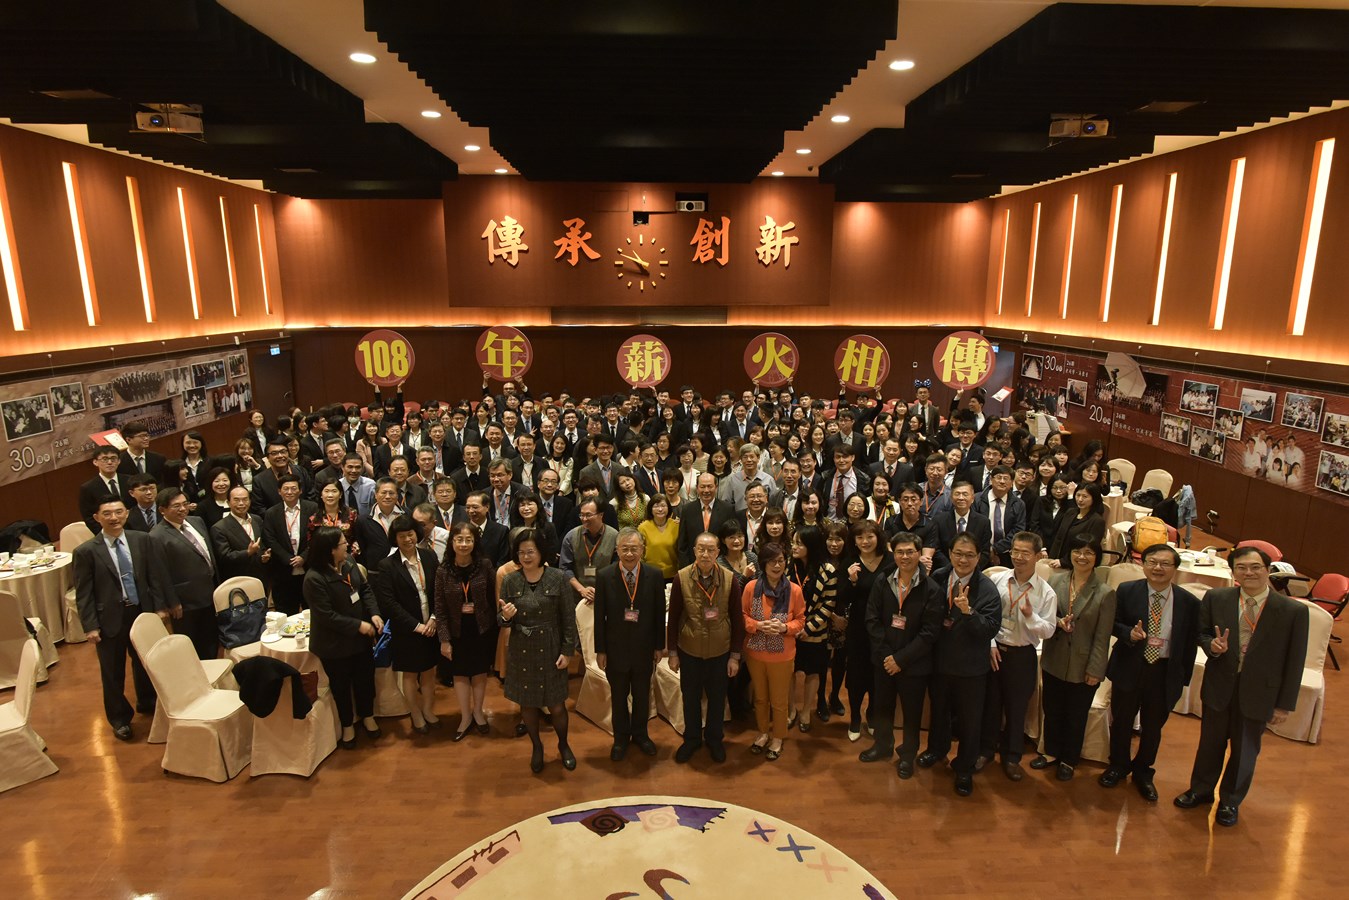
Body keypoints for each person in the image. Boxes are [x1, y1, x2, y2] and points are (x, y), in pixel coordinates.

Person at [1175, 546, 1310, 827]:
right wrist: (1211, 646)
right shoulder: (1217, 598)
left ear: (1267, 570)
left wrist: (1284, 704)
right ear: (1233, 571)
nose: (1248, 573)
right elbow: (1201, 633)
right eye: (1241, 568)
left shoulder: (1292, 611)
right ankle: (1200, 790)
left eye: (1255, 567)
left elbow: (1295, 660)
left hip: (1260, 692)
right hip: (1219, 685)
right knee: (1209, 744)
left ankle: (1230, 801)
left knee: (1245, 750)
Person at [1099, 544, 1200, 802]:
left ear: (1176, 569)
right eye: (1152, 562)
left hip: (1164, 672)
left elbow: (1189, 643)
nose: (1158, 568)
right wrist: (1127, 634)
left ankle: (1144, 771)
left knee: (1153, 727)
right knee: (1121, 721)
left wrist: (1183, 679)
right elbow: (1112, 623)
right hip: (1131, 666)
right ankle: (1118, 765)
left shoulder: (1188, 602)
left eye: (1165, 563)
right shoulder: (1127, 590)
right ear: (1142, 564)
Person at [74, 495, 176, 741]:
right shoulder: (86, 551)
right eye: (107, 513)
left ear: (126, 514)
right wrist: (90, 626)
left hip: (141, 611)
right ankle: (119, 719)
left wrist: (160, 607)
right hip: (109, 618)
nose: (114, 518)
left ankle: (147, 701)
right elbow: (83, 593)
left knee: (146, 662)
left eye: (119, 512)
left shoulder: (141, 540)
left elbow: (154, 576)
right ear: (97, 518)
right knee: (112, 671)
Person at [918, 533, 1002, 796]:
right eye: (958, 553)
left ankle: (964, 768)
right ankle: (936, 749)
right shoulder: (939, 577)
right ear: (950, 553)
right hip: (940, 661)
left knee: (969, 721)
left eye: (969, 555)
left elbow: (990, 628)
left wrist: (969, 613)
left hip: (970, 668)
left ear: (978, 557)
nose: (962, 559)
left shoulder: (987, 589)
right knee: (939, 711)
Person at [859, 530, 944, 778]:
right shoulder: (883, 580)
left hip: (914, 665)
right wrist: (888, 657)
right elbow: (872, 619)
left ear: (919, 554)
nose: (905, 556)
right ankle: (883, 746)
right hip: (884, 661)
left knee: (911, 712)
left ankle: (908, 755)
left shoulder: (931, 589)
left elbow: (930, 633)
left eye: (910, 552)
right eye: (899, 552)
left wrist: (901, 659)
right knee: (882, 707)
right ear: (892, 554)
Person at [1033, 536, 1116, 781]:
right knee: (1052, 708)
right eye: (1077, 551)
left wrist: (1096, 669)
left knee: (1076, 714)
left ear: (1096, 557)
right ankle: (1050, 752)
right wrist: (1058, 623)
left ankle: (1069, 759)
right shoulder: (1056, 580)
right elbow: (1045, 616)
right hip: (1054, 656)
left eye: (1089, 552)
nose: (1082, 556)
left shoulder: (1104, 593)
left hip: (1083, 664)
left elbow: (1103, 637)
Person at [978, 532, 1057, 782]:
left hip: (1022, 655)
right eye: (1015, 552)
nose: (1019, 557)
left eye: (1025, 553)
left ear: (1037, 556)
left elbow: (1049, 630)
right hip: (993, 651)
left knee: (1016, 708)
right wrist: (990, 642)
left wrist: (1031, 616)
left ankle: (1012, 757)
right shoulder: (997, 580)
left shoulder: (1046, 592)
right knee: (990, 705)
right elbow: (984, 616)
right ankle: (986, 750)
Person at [499, 529, 579, 773]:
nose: (526, 556)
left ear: (541, 552)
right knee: (528, 704)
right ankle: (536, 746)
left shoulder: (557, 577)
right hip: (522, 648)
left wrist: (567, 651)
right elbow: (502, 620)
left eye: (530, 551)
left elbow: (568, 618)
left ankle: (564, 745)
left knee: (556, 705)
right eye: (521, 552)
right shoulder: (510, 580)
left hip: (551, 647)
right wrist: (505, 616)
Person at [667, 531, 745, 763]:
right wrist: (672, 652)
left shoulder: (730, 579)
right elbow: (674, 618)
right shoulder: (681, 577)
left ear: (718, 552)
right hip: (689, 650)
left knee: (717, 698)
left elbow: (737, 620)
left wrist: (734, 656)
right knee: (690, 698)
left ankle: (714, 739)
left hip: (720, 652)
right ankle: (691, 739)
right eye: (701, 549)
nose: (705, 554)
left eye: (711, 549)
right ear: (694, 551)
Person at [304, 526, 383, 750]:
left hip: (360, 639)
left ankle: (367, 716)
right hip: (334, 644)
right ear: (330, 550)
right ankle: (347, 725)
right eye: (342, 543)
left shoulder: (349, 564)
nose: (347, 545)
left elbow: (365, 589)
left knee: (365, 679)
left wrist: (375, 613)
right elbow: (326, 616)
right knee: (341, 685)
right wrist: (358, 625)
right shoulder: (315, 578)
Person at [594, 528, 667, 761]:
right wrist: (601, 650)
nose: (629, 553)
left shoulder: (655, 576)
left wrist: (659, 646)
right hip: (615, 651)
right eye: (624, 549)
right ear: (616, 550)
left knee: (642, 696)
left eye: (634, 548)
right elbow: (599, 617)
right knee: (618, 697)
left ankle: (641, 735)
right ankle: (620, 739)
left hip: (644, 650)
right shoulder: (605, 576)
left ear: (642, 550)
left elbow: (658, 615)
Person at [376, 516, 441, 736]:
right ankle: (415, 713)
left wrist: (433, 618)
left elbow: (438, 591)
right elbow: (388, 603)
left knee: (430, 672)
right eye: (402, 536)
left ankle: (428, 710)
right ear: (395, 538)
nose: (407, 539)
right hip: (406, 630)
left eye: (411, 534)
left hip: (432, 625)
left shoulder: (430, 556)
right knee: (411, 675)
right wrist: (416, 626)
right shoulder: (387, 565)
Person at [741, 542, 805, 761]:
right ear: (763, 564)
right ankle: (762, 733)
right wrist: (757, 626)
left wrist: (785, 628)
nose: (777, 565)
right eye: (772, 561)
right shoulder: (751, 588)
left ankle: (778, 737)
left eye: (781, 560)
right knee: (760, 698)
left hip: (783, 655)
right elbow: (742, 616)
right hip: (755, 653)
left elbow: (801, 620)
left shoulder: (794, 590)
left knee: (779, 700)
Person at [435, 522, 500, 741]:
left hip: (482, 628)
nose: (464, 544)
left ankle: (478, 713)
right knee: (460, 674)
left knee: (480, 672)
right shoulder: (443, 570)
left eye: (468, 540)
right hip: (456, 630)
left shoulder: (484, 565)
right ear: (452, 542)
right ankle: (465, 717)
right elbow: (440, 608)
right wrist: (444, 640)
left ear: (475, 542)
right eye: (459, 540)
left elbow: (493, 598)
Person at [149, 488, 220, 661]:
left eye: (184, 504)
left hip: (210, 593)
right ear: (162, 510)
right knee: (192, 645)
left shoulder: (196, 521)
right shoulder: (156, 536)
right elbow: (160, 572)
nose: (182, 509)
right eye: (176, 506)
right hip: (185, 602)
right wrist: (172, 602)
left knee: (211, 640)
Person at [842, 521, 894, 741]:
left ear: (878, 537)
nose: (865, 541)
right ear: (854, 541)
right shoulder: (850, 562)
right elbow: (843, 598)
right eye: (860, 537)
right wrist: (852, 582)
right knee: (856, 675)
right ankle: (855, 717)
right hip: (858, 628)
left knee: (878, 674)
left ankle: (872, 714)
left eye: (869, 536)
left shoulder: (891, 561)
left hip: (885, 627)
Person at [263, 474, 319, 614]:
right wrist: (288, 559)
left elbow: (317, 535)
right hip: (282, 571)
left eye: (293, 488)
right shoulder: (271, 513)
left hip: (309, 568)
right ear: (279, 491)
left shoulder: (312, 508)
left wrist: (304, 557)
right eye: (285, 489)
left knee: (312, 609)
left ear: (300, 490)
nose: (289, 492)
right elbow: (270, 539)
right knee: (285, 612)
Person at [211, 485, 271, 584]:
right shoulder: (219, 528)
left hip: (261, 576)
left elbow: (262, 544)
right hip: (239, 579)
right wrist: (247, 552)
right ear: (228, 502)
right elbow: (224, 557)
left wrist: (265, 555)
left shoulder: (257, 519)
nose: (241, 503)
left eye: (245, 499)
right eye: (236, 500)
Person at [675, 472, 734, 568]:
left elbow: (729, 540)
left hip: (720, 565)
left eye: (710, 486)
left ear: (716, 487)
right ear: (697, 488)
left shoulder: (727, 509)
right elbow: (683, 543)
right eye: (702, 487)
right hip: (692, 565)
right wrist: (686, 567)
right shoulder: (687, 509)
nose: (706, 490)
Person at [1047, 483, 1106, 567]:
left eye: (1085, 496)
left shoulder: (1097, 521)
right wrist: (1051, 558)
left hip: (1077, 563)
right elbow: (1058, 538)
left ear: (1094, 499)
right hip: (1057, 560)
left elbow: (1090, 548)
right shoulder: (1070, 512)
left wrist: (1064, 562)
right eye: (1078, 495)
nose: (1080, 499)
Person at [638, 494, 679, 583]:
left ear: (668, 508)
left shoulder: (676, 525)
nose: (660, 509)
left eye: (663, 506)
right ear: (650, 509)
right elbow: (640, 553)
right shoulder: (643, 527)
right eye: (656, 506)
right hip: (650, 574)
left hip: (673, 574)